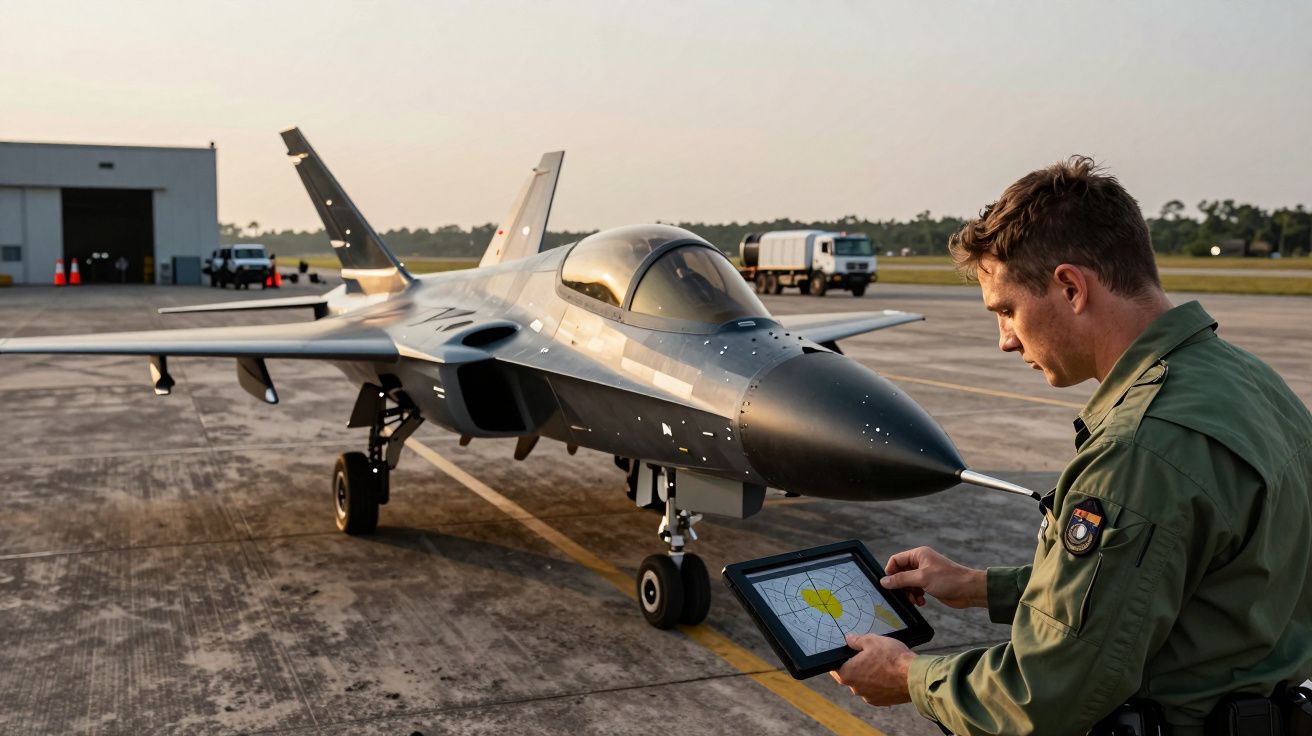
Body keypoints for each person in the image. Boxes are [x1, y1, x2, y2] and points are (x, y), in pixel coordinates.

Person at [831, 156, 1312, 734]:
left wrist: (909, 675)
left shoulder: (1141, 446)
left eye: (1007, 310)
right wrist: (979, 587)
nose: (1005, 340)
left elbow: (1043, 694)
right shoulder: (1250, 382)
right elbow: (1172, 581)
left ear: (1070, 287)